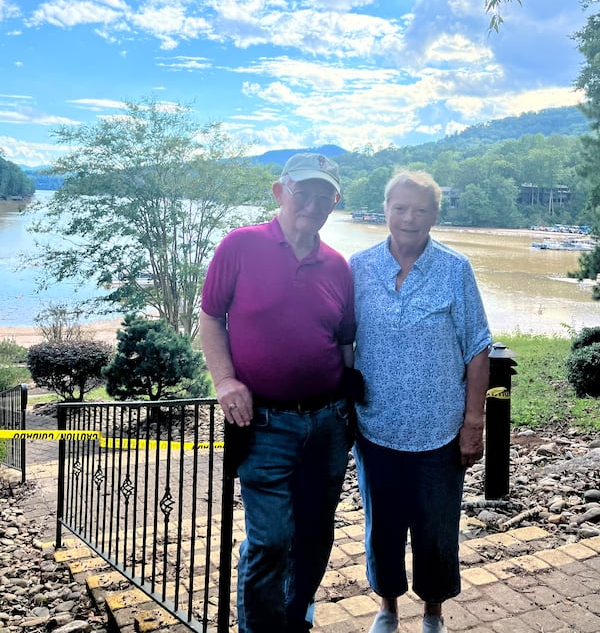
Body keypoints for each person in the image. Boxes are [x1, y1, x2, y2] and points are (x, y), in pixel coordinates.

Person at [199, 152, 355, 633]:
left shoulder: (337, 266)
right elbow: (210, 317)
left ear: (335, 202)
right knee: (269, 539)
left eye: (322, 194)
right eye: (301, 190)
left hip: (328, 423)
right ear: (278, 191)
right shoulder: (240, 246)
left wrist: (350, 403)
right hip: (263, 423)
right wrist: (225, 381)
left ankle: (295, 617)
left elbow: (345, 339)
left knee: (315, 532)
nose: (311, 202)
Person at [349, 170, 491, 633]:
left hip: (439, 430)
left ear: (435, 214)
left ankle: (433, 612)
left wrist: (474, 423)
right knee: (382, 527)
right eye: (401, 207)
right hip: (376, 426)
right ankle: (387, 606)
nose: (410, 217)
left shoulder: (455, 268)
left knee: (436, 530)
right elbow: (343, 342)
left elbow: (477, 348)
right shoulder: (358, 267)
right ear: (386, 209)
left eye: (421, 209)